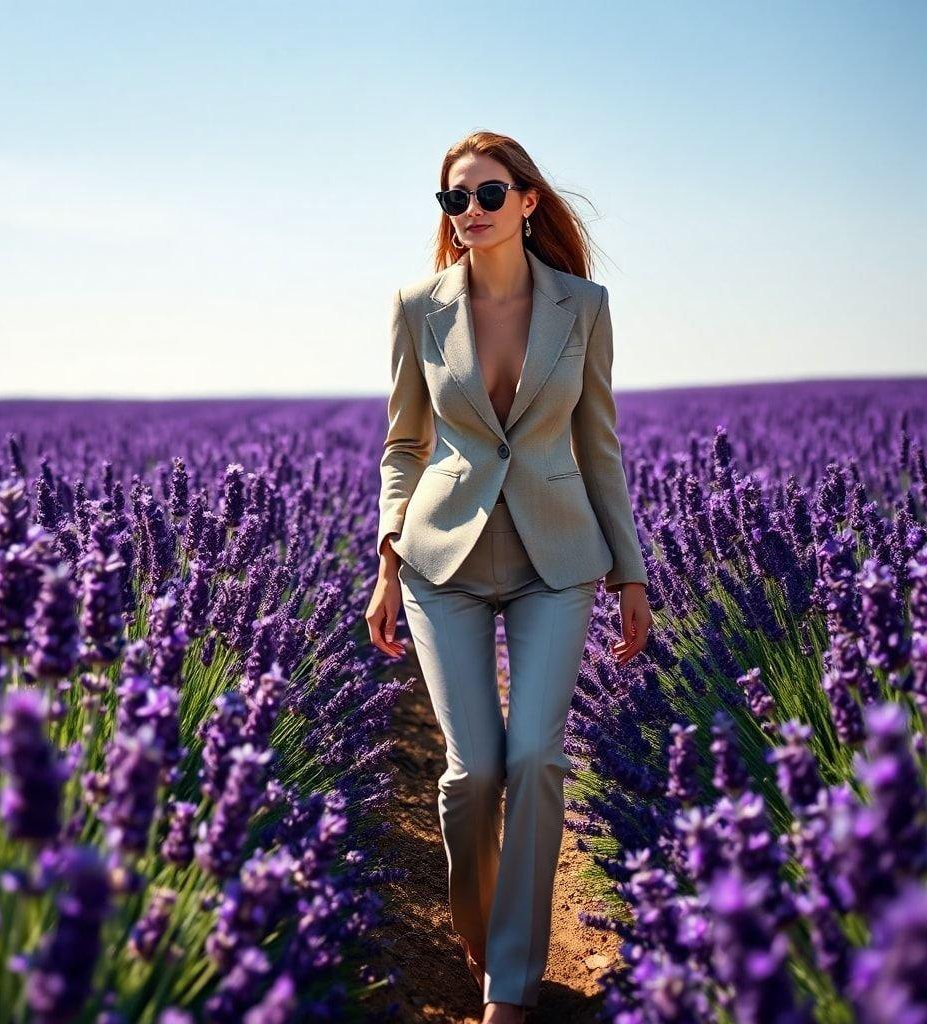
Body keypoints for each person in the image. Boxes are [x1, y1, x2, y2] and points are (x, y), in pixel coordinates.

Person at [365, 130, 652, 1023]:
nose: (471, 214)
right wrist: (384, 560)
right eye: (456, 200)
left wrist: (630, 574)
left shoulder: (584, 305)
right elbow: (405, 444)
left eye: (489, 195)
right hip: (439, 558)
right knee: (471, 771)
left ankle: (513, 987)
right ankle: (479, 926)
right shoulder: (419, 305)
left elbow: (596, 443)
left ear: (528, 201)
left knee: (533, 759)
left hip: (554, 560)